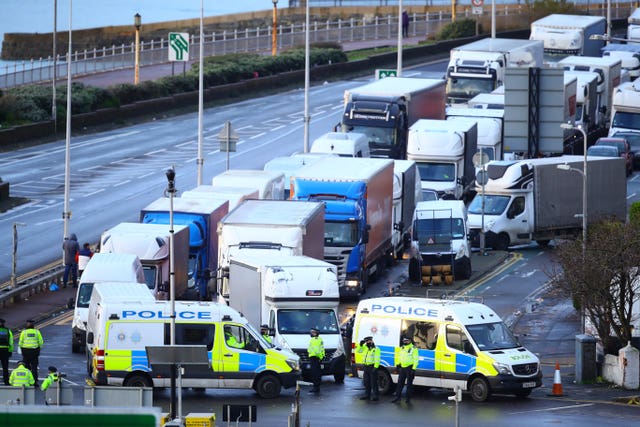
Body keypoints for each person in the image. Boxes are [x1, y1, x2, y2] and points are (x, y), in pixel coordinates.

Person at [391, 336, 419, 403]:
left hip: (410, 368)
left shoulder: (414, 348)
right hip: (402, 368)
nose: (405, 342)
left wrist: (414, 369)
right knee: (400, 383)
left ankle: (408, 398)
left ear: (410, 341)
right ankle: (398, 397)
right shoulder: (402, 348)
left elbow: (416, 359)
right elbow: (400, 357)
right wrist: (398, 364)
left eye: (406, 341)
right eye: (404, 341)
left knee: (409, 384)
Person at [19, 319, 44, 386]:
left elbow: (20, 343)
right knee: (34, 367)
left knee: (26, 367)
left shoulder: (23, 332)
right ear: (33, 325)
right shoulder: (37, 332)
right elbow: (41, 342)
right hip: (34, 352)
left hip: (25, 351)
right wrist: (38, 349)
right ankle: (35, 382)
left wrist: (22, 350)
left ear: (27, 325)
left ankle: (26, 381)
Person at [357, 336, 380, 401]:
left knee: (373, 383)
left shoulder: (376, 349)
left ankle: (376, 396)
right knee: (366, 382)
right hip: (366, 367)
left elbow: (377, 359)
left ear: (372, 341)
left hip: (372, 367)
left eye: (369, 341)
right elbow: (359, 351)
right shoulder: (365, 348)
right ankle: (367, 395)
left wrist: (375, 367)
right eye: (366, 341)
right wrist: (360, 345)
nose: (367, 342)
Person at [307, 327, 325, 394]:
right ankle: (316, 387)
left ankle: (316, 387)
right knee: (317, 373)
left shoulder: (315, 340)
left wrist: (317, 357)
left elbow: (316, 351)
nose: (311, 333)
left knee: (315, 373)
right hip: (317, 358)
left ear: (315, 333)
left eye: (312, 332)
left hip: (315, 358)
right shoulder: (319, 339)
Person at [0, 318, 14, 385]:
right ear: (3, 323)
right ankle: (6, 381)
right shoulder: (7, 331)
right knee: (5, 367)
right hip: (5, 350)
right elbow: (11, 342)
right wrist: (10, 351)